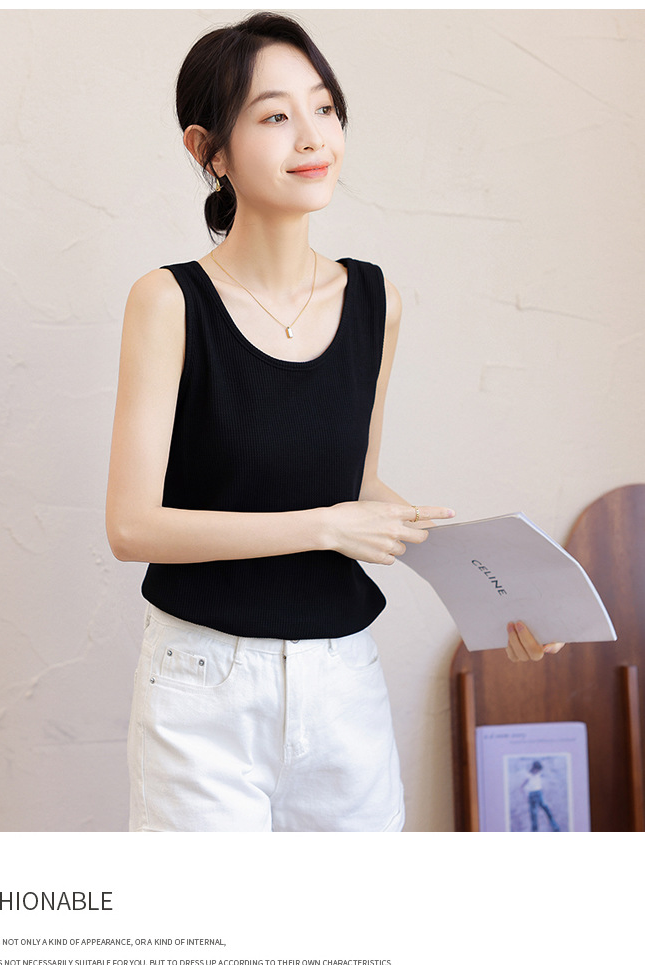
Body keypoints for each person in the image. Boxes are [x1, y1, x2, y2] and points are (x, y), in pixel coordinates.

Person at [106, 12, 563, 832]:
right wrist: (323, 526)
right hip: (202, 683)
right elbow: (133, 526)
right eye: (275, 116)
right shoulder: (168, 301)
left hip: (342, 682)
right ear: (209, 150)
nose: (313, 136)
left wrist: (502, 594)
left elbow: (359, 487)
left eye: (324, 108)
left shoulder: (376, 302)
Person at [521, 761, 561, 831]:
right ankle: (534, 830)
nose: (538, 771)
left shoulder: (538, 773)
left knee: (547, 810)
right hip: (532, 796)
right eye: (537, 770)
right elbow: (522, 786)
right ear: (534, 768)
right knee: (534, 814)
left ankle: (555, 826)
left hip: (539, 794)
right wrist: (526, 796)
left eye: (539, 770)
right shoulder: (528, 775)